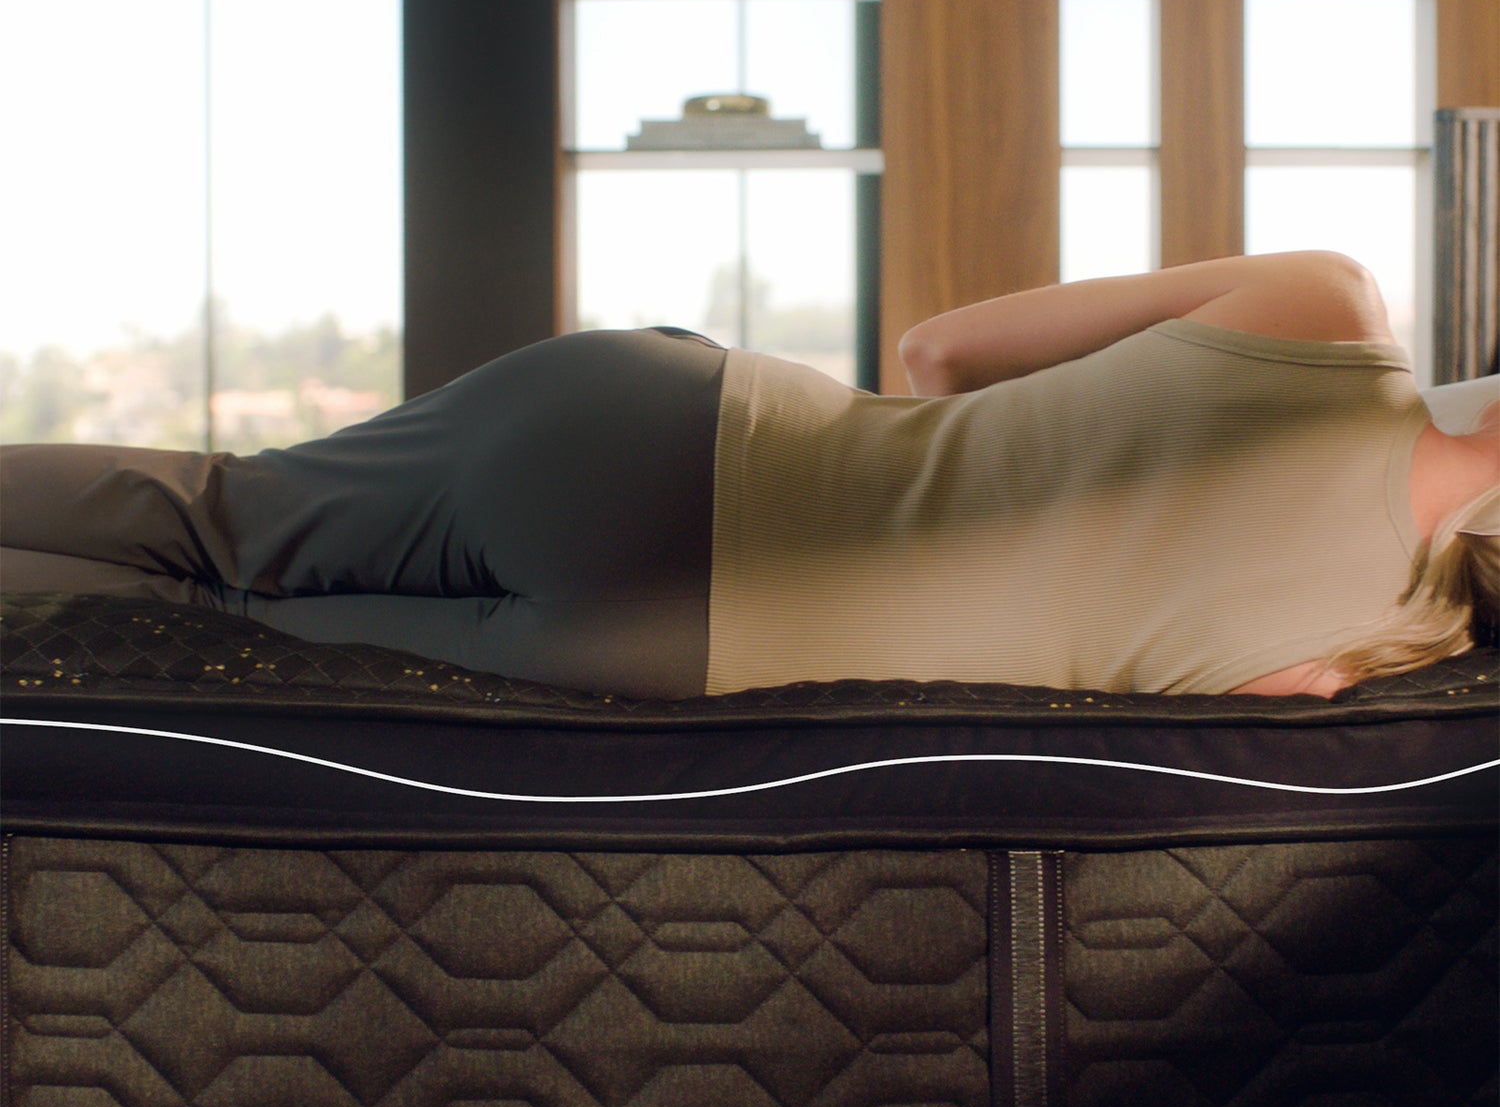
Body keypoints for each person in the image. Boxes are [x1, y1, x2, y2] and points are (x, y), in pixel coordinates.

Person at [2, 251, 1496, 700]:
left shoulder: (1323, 310)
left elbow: (936, 355)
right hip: (691, 650)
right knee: (217, 640)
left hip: (669, 431)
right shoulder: (1360, 661)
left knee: (212, 511)